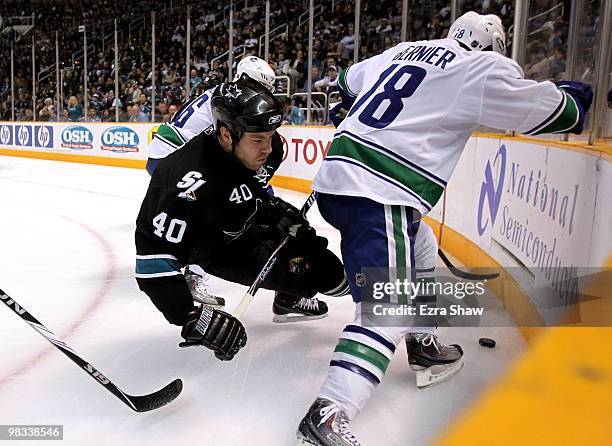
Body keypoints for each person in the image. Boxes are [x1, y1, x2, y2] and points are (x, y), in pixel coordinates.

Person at [297, 11, 593, 445]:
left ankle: (423, 343)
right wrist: (577, 95)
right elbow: (557, 114)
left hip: (339, 178)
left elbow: (346, 81)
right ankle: (329, 410)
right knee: (388, 306)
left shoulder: (403, 51)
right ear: (492, 46)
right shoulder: (480, 67)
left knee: (421, 247)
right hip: (381, 190)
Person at [134, 76, 349, 361]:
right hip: (218, 247)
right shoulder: (185, 184)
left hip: (242, 227)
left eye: (270, 138)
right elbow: (152, 264)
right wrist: (189, 316)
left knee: (326, 265)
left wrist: (278, 212)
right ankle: (407, 316)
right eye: (258, 140)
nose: (268, 148)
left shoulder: (257, 149)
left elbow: (250, 191)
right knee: (327, 274)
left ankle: (402, 308)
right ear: (225, 134)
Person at [146, 57, 327, 321]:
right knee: (234, 214)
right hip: (173, 159)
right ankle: (198, 276)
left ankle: (288, 290)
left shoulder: (227, 94)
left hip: (164, 154)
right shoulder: (235, 104)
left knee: (246, 209)